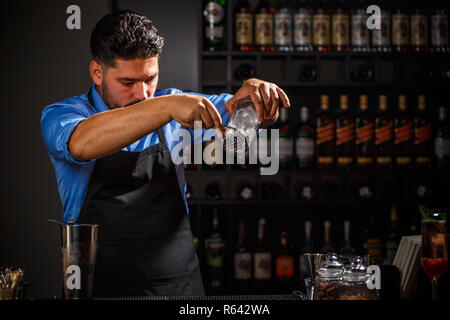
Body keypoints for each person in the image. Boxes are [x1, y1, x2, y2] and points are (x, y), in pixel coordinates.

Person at [41, 10, 290, 297]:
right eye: (127, 83)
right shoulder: (63, 114)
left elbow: (239, 110)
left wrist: (256, 99)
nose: (143, 93)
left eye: (150, 79)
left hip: (177, 286)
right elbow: (82, 144)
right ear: (97, 72)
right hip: (99, 287)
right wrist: (166, 106)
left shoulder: (176, 105)